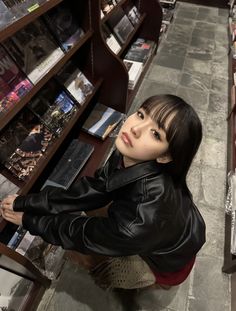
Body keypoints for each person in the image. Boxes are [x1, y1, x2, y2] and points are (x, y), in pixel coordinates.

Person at [0, 94, 206, 290]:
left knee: (92, 262)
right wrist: (27, 202)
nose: (135, 128)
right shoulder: (130, 154)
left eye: (155, 134)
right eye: (142, 114)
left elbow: (82, 234)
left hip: (168, 262)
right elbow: (94, 189)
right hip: (171, 229)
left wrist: (30, 220)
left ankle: (145, 283)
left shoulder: (139, 220)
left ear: (165, 156)